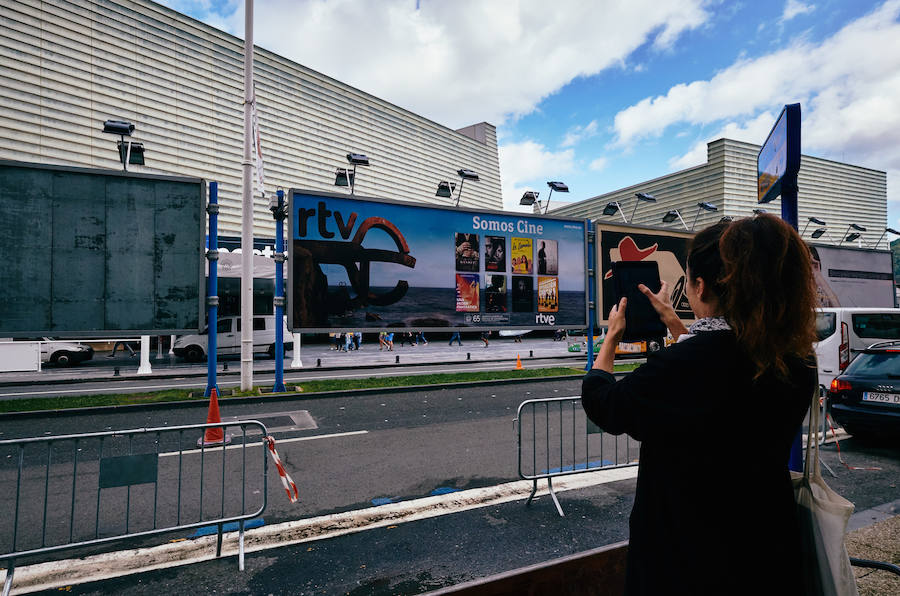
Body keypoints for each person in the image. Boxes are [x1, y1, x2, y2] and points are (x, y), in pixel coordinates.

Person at [581, 215, 818, 595]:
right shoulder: (796, 359)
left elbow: (603, 402)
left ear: (701, 286)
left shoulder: (682, 368)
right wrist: (675, 323)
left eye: (688, 281)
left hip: (687, 560)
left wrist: (610, 339)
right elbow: (723, 366)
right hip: (766, 551)